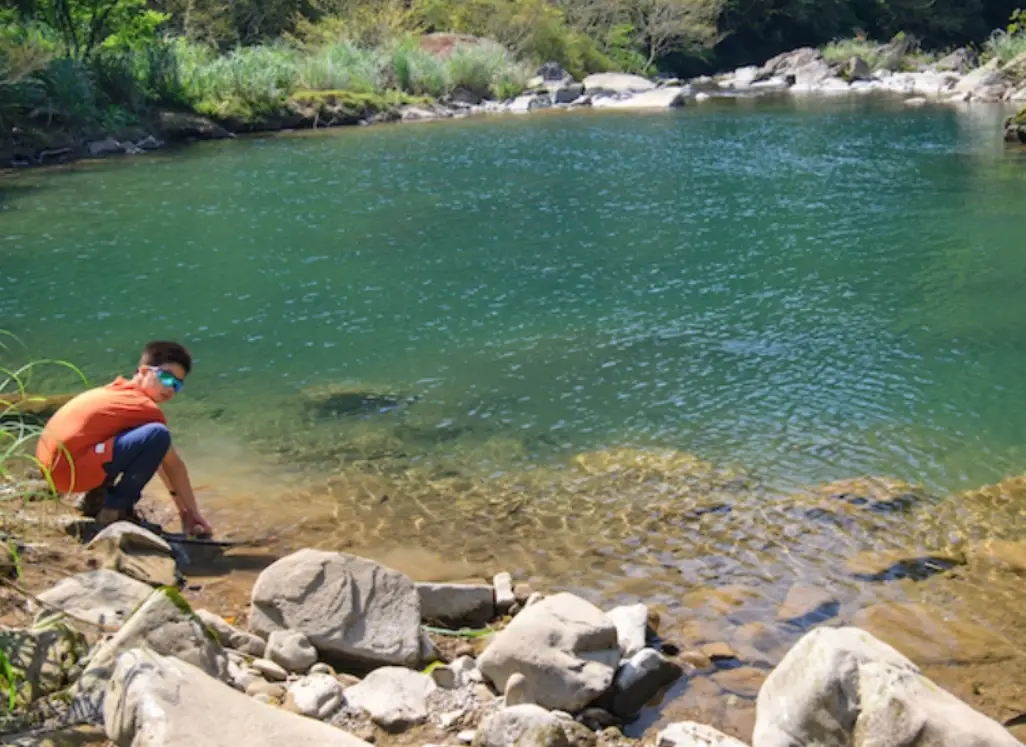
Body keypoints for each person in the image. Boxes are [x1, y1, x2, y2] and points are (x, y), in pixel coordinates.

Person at [35, 340, 214, 537]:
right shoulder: (144, 407)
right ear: (144, 371)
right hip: (68, 472)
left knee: (138, 440)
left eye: (177, 384)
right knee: (158, 434)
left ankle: (95, 499)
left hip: (55, 470)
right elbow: (172, 465)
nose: (171, 388)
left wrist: (184, 512)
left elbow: (161, 461)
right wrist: (192, 514)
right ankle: (114, 511)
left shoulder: (119, 390)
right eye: (166, 378)